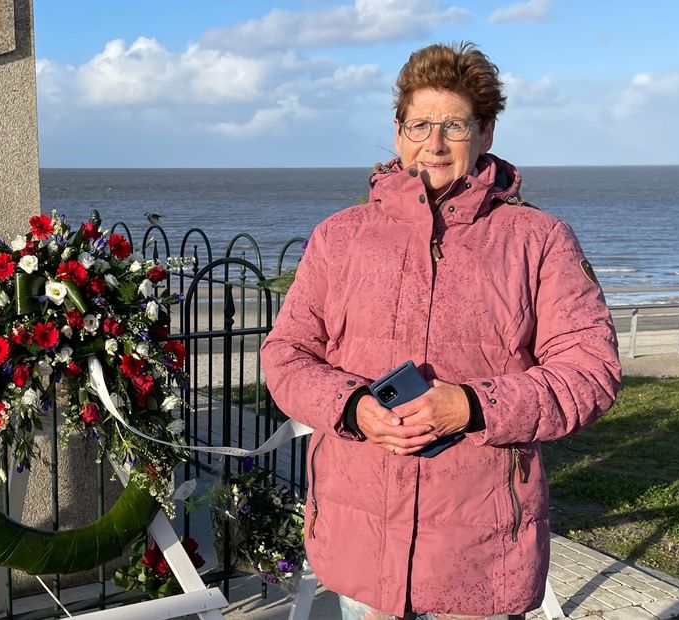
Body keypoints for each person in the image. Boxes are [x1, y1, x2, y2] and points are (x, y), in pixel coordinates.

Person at [259, 42, 621, 620]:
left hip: (481, 554)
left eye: (454, 124)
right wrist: (352, 407)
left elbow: (591, 373)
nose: (434, 143)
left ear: (486, 132)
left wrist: (475, 406)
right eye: (421, 124)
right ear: (397, 130)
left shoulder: (539, 240)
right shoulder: (339, 237)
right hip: (361, 539)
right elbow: (286, 354)